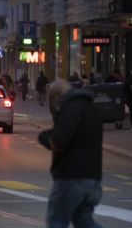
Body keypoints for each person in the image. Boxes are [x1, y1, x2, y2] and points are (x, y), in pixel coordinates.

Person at [37, 80, 103, 228]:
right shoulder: (91, 108)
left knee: (56, 221)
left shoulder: (70, 108)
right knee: (83, 220)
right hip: (93, 179)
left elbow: (59, 142)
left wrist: (47, 138)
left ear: (57, 96)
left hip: (71, 177)